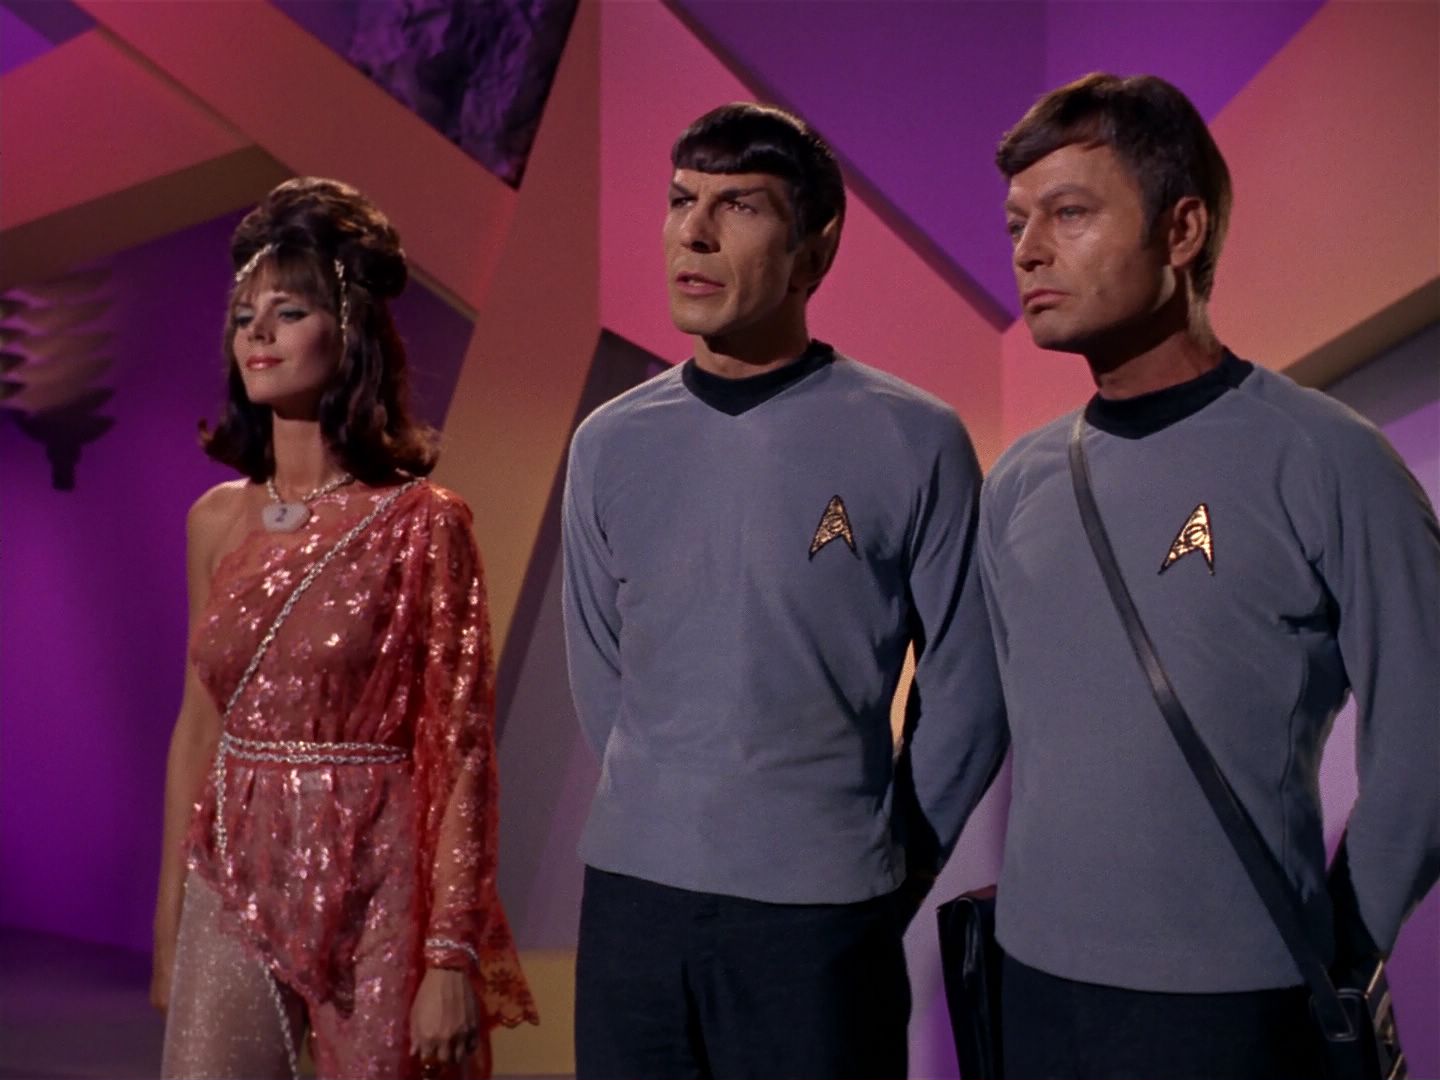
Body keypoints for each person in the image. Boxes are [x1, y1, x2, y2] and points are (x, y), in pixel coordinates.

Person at [980, 72, 1440, 1078]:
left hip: (1236, 1006)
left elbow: (1429, 730)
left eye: (1069, 213)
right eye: (1017, 222)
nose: (1028, 249)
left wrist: (1344, 940)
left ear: (1181, 230)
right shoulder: (1017, 481)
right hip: (1034, 984)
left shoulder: (1329, 458)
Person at [561, 102, 1006, 1080]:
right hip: (632, 906)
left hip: (823, 918)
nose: (694, 231)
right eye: (680, 199)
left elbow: (970, 687)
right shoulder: (609, 443)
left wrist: (897, 860)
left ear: (816, 248)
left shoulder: (915, 438)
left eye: (739, 205)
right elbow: (603, 674)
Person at [151, 177, 537, 1079]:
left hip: (377, 880)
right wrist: (170, 924)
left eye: (288, 312)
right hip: (233, 870)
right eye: (244, 315)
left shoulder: (421, 522)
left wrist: (450, 955)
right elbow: (198, 727)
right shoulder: (215, 520)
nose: (258, 333)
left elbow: (461, 747)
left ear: (351, 330)